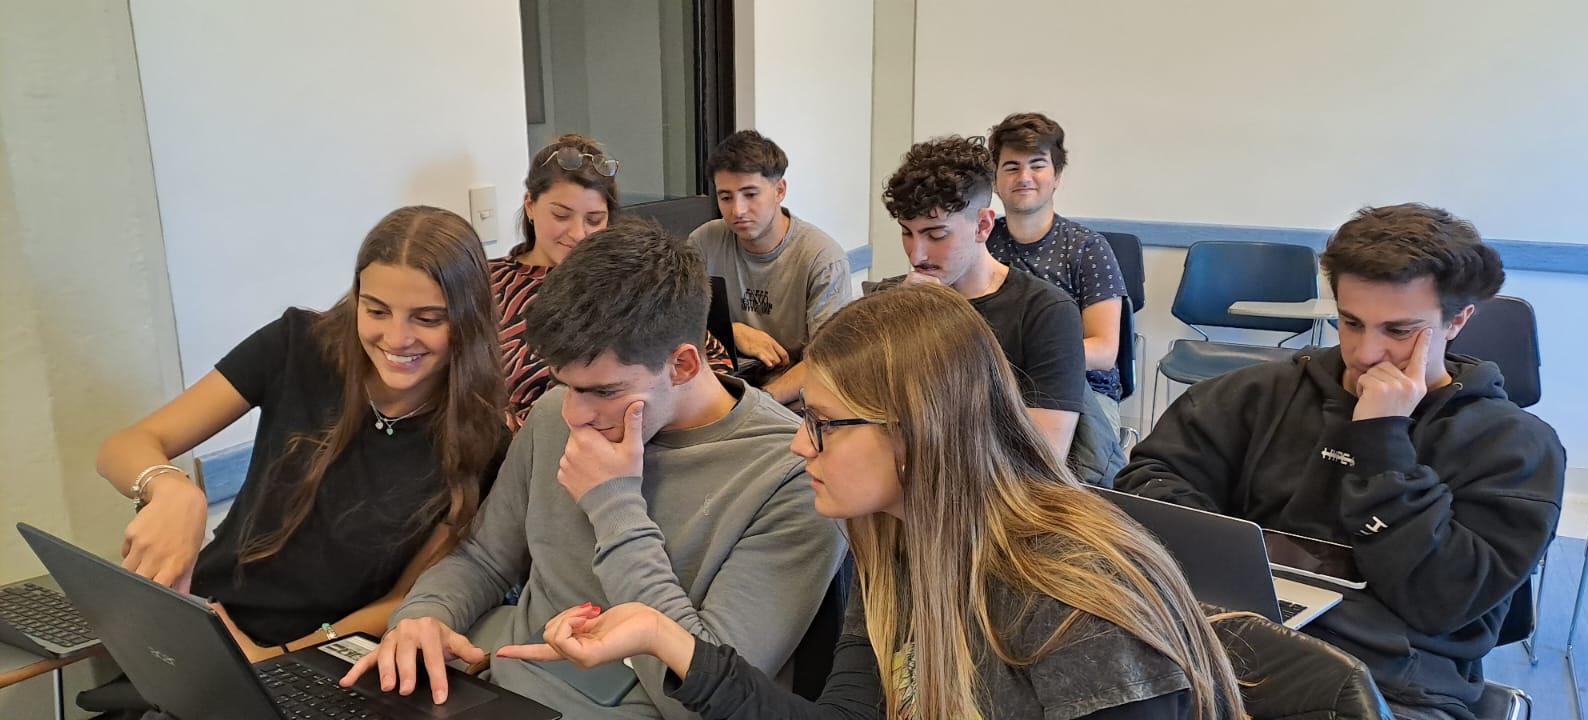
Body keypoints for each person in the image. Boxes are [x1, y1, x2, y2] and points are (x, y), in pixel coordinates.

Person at [503, 283, 1246, 720]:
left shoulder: (1071, 589)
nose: (800, 445)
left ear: (915, 434)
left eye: (824, 425)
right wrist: (663, 637)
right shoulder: (891, 542)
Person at [344, 220, 846, 720]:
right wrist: (424, 616)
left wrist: (614, 504)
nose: (574, 415)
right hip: (502, 692)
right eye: (565, 384)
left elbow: (707, 702)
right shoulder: (555, 414)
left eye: (604, 391)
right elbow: (483, 558)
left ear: (684, 366)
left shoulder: (797, 475)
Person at [1116, 203, 1565, 719]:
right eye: (1351, 322)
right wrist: (1232, 561)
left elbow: (1441, 601)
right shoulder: (1257, 393)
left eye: (1399, 331)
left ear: (1457, 321)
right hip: (1219, 644)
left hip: (1392, 685)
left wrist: (1381, 442)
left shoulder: (1515, 447)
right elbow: (1148, 482)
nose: (1366, 352)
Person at [97, 205, 508, 659]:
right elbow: (124, 447)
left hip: (324, 657)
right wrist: (173, 490)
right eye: (376, 310)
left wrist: (280, 657)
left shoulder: (482, 440)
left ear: (468, 318)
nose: (396, 338)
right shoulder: (297, 344)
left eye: (427, 319)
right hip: (206, 620)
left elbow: (403, 602)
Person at [874, 135, 1105, 477]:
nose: (917, 255)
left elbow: (1043, 457)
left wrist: (941, 320)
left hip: (998, 492)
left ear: (983, 225)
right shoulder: (892, 300)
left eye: (936, 235)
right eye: (907, 233)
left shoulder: (1046, 312)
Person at [494, 134, 732, 431]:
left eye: (594, 220)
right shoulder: (489, 284)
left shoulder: (626, 280)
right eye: (561, 215)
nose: (578, 234)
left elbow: (701, 360)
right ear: (530, 205)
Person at [985, 112, 1129, 443]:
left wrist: (1027, 360)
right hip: (994, 386)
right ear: (994, 181)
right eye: (1011, 167)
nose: (1024, 177)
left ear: (1057, 176)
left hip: (1083, 390)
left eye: (1037, 165)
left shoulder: (1088, 248)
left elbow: (1105, 349)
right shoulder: (982, 241)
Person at [689, 129, 850, 404]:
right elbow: (675, 322)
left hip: (794, 393)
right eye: (725, 197)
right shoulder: (704, 241)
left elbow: (828, 361)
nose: (738, 210)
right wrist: (733, 331)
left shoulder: (823, 259)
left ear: (779, 191)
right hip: (723, 381)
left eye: (750, 194)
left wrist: (755, 405)